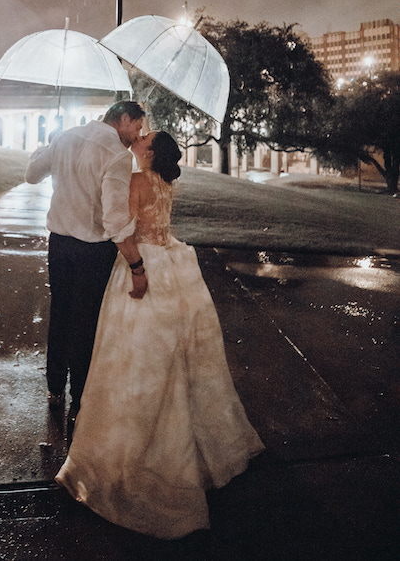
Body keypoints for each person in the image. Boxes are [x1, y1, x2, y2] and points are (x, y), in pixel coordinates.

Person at [56, 131, 264, 540]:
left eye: (143, 138)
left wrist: (134, 267)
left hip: (145, 266)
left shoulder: (136, 180)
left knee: (132, 358)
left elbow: (123, 231)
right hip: (172, 264)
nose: (136, 138)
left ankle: (132, 461)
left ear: (149, 151)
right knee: (172, 358)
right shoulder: (165, 182)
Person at [25, 100, 147, 433]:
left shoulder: (65, 137)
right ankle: (79, 400)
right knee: (85, 323)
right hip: (94, 251)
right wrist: (136, 264)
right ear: (122, 119)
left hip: (59, 244)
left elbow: (31, 175)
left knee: (60, 312)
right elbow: (113, 217)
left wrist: (45, 148)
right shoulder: (118, 156)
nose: (137, 134)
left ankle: (54, 388)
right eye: (136, 127)